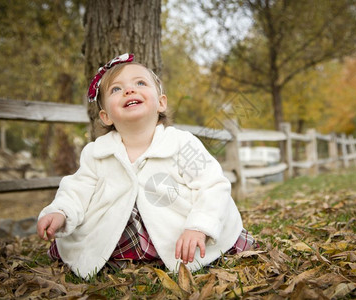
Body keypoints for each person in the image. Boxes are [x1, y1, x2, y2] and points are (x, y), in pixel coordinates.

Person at [37, 53, 255, 279]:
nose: (129, 91)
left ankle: (186, 241)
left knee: (210, 235)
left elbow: (212, 186)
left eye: (140, 83)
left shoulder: (182, 144)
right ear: (105, 117)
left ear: (161, 103)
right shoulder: (97, 152)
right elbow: (77, 190)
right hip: (118, 233)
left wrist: (198, 227)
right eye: (116, 89)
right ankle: (123, 255)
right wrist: (60, 212)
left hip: (177, 232)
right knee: (85, 245)